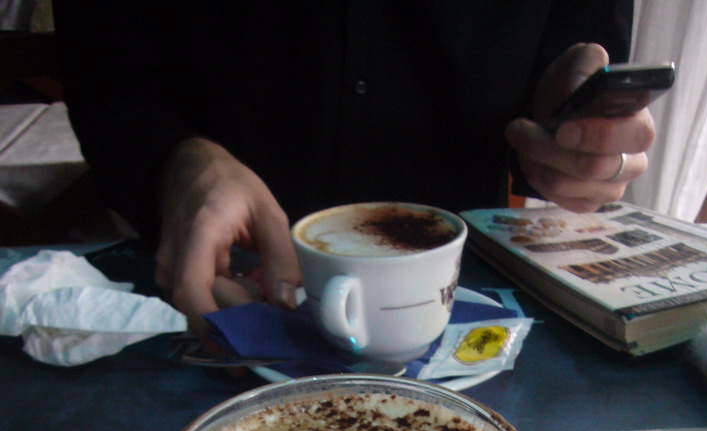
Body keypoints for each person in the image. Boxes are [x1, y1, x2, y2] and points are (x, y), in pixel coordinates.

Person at [52, 0, 653, 339]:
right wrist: (175, 159)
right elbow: (105, 79)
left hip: (469, 297)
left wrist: (573, 139)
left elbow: (584, 53)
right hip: (212, 289)